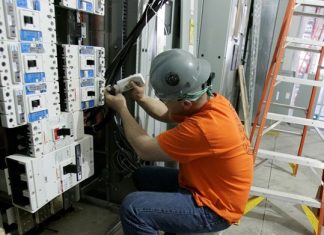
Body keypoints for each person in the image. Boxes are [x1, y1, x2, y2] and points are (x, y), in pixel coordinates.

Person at [104, 49, 253, 235]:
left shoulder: (204, 128)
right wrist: (141, 98)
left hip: (215, 210)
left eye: (165, 99)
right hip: (205, 187)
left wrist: (122, 109)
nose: (163, 102)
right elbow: (167, 113)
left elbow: (144, 149)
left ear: (186, 103)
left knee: (133, 208)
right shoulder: (212, 101)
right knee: (143, 175)